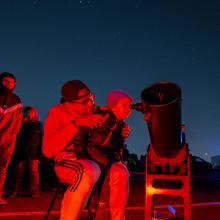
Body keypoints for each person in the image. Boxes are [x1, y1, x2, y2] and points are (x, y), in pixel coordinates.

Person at [42, 80, 105, 220]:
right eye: (83, 102)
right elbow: (48, 150)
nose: (90, 103)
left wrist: (121, 130)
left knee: (120, 172)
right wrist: (76, 125)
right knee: (88, 170)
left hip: (94, 158)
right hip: (66, 161)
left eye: (91, 97)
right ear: (68, 103)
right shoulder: (57, 113)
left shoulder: (97, 111)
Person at [74, 89, 133, 220]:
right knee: (113, 171)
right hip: (91, 158)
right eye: (124, 105)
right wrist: (81, 157)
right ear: (113, 106)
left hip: (105, 160)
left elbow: (116, 151)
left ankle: (117, 217)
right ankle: (99, 211)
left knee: (122, 172)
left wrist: (122, 139)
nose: (129, 109)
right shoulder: (101, 116)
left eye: (130, 107)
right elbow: (82, 133)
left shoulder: (120, 125)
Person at [0, 72, 22, 205]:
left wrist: (13, 135)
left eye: (11, 82)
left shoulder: (16, 100)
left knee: (2, 169)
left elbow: (18, 120)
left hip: (8, 140)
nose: (8, 84)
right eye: (5, 81)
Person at [11, 106, 43, 197]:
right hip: (22, 152)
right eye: (28, 112)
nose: (29, 114)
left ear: (34, 113)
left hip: (33, 153)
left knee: (34, 173)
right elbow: (17, 137)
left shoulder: (38, 125)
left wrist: (39, 153)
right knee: (18, 172)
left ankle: (35, 191)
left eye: (31, 112)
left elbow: (41, 139)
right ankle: (14, 190)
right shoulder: (21, 124)